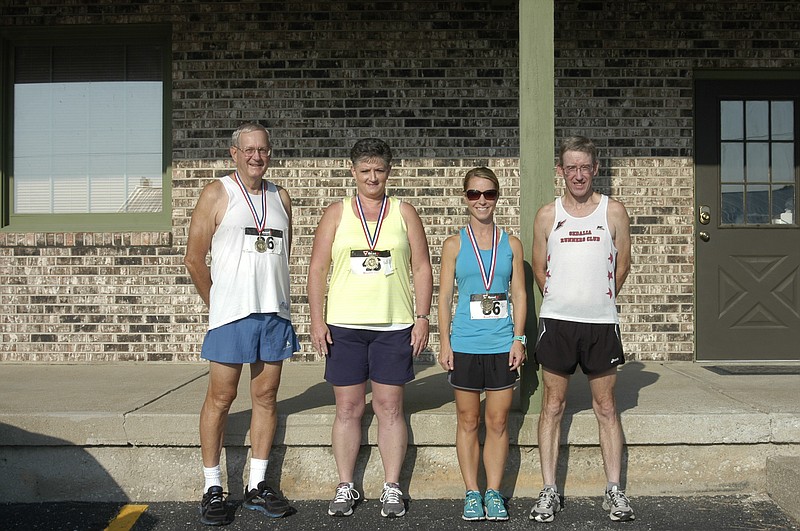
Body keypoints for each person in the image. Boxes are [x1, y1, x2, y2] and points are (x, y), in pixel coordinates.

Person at [307, 138, 433, 519]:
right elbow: (316, 268)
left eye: (379, 170)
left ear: (389, 171)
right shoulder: (337, 213)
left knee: (390, 407)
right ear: (353, 172)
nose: (372, 177)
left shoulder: (404, 212)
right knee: (347, 407)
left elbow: (423, 267)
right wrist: (316, 319)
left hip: (394, 323)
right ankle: (346, 484)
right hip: (344, 325)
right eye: (365, 170)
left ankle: (391, 486)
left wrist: (423, 317)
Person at [184, 122, 299, 526]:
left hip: (273, 313)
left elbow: (283, 255)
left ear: (270, 153)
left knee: (266, 396)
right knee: (221, 397)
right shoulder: (217, 193)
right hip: (231, 316)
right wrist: (219, 304)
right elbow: (194, 258)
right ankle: (212, 486)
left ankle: (258, 484)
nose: (256, 156)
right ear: (234, 153)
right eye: (248, 149)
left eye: (263, 149)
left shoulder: (280, 196)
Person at [530, 135, 634, 523]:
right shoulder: (547, 214)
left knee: (605, 407)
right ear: (561, 171)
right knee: (552, 406)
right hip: (557, 322)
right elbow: (540, 269)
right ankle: (549, 490)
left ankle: (614, 490)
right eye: (570, 167)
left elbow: (621, 266)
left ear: (596, 169)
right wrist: (564, 300)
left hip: (600, 323)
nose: (578, 174)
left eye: (584, 167)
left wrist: (596, 300)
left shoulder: (613, 211)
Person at [437, 167, 527, 521]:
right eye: (474, 194)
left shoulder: (512, 244)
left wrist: (519, 339)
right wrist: (444, 342)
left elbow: (519, 294)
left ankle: (494, 491)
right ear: (465, 198)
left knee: (499, 421)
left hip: (501, 342)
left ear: (497, 197)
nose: (482, 201)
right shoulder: (454, 244)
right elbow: (444, 297)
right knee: (468, 420)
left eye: (488, 194)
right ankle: (471, 492)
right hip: (466, 343)